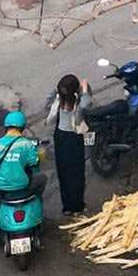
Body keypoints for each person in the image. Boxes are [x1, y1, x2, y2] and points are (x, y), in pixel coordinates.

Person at [0, 109, 44, 245]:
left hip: (0, 188)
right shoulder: (26, 144)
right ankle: (39, 217)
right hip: (21, 186)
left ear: (6, 127)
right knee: (42, 179)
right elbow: (34, 163)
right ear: (22, 128)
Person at [44, 73, 91, 216]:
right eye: (61, 90)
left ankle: (77, 205)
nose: (62, 92)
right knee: (63, 172)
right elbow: (47, 105)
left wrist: (84, 89)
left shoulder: (78, 102)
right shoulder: (59, 99)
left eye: (65, 90)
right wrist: (55, 91)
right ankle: (67, 206)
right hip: (61, 137)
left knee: (76, 173)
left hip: (74, 138)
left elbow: (86, 104)